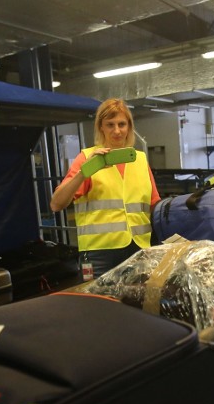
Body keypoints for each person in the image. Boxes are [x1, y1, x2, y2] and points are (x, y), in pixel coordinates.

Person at [50, 98, 160, 278]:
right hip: (99, 254)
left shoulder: (140, 159)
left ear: (129, 127)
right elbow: (56, 204)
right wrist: (84, 172)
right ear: (101, 127)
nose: (117, 131)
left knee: (135, 305)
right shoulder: (87, 158)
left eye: (122, 124)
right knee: (97, 306)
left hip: (139, 250)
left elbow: (154, 205)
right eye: (110, 124)